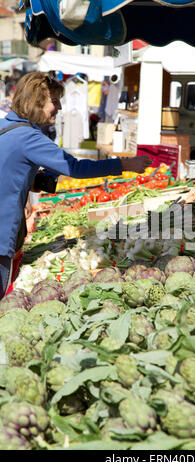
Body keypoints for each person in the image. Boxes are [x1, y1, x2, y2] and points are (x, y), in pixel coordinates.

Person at [0, 71, 152, 300]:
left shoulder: (5, 128)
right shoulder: (28, 137)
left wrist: (31, 180)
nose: (59, 107)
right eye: (54, 101)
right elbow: (77, 169)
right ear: (37, 101)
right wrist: (125, 163)